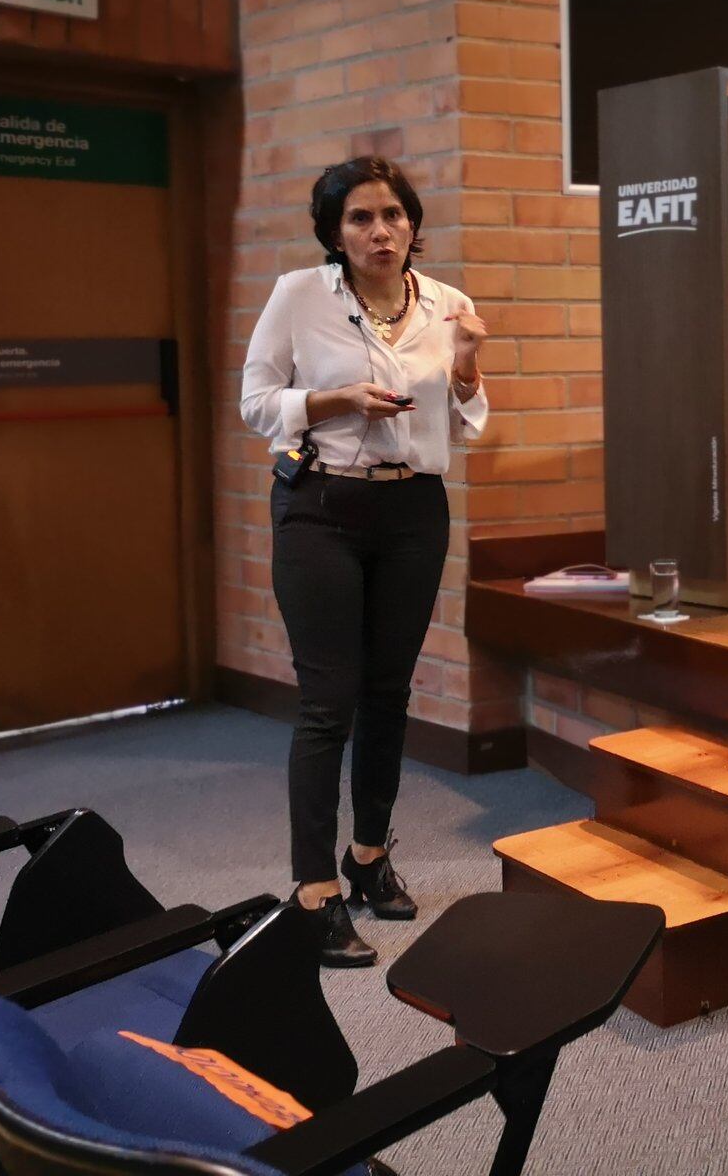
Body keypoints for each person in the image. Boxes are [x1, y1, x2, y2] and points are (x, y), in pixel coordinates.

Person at [240, 156, 487, 966]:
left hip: (414, 510)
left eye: (393, 216)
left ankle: (370, 857)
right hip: (321, 507)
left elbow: (468, 418)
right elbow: (254, 403)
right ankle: (314, 889)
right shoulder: (299, 296)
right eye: (360, 219)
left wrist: (467, 366)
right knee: (328, 702)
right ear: (334, 233)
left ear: (414, 224)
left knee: (389, 693)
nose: (380, 231)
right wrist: (333, 401)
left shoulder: (448, 304)